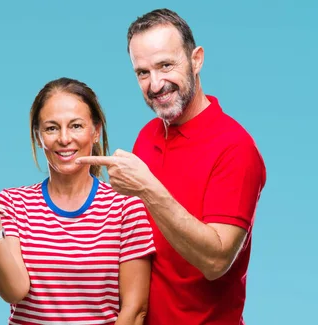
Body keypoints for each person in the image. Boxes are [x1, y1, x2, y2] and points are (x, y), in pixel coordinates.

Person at [75, 9, 267, 325]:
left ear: (196, 60)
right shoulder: (148, 135)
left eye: (165, 65)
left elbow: (216, 260)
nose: (155, 84)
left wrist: (147, 188)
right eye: (142, 72)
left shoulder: (236, 148)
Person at [0, 77, 156, 325]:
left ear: (95, 131)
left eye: (76, 126)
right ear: (38, 136)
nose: (64, 139)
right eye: (51, 128)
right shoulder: (12, 203)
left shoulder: (126, 206)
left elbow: (135, 309)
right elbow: (13, 291)